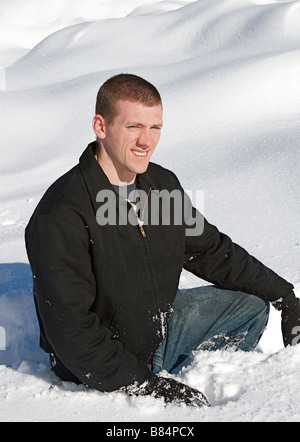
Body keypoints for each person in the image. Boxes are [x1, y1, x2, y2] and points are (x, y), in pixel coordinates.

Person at [25, 73, 299, 408]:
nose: (146, 140)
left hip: (157, 329)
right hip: (99, 366)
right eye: (133, 127)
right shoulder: (63, 213)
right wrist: (148, 386)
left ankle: (207, 375)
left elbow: (212, 251)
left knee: (251, 309)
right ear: (101, 126)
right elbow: (72, 333)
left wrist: (284, 295)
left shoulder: (160, 185)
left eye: (155, 128)